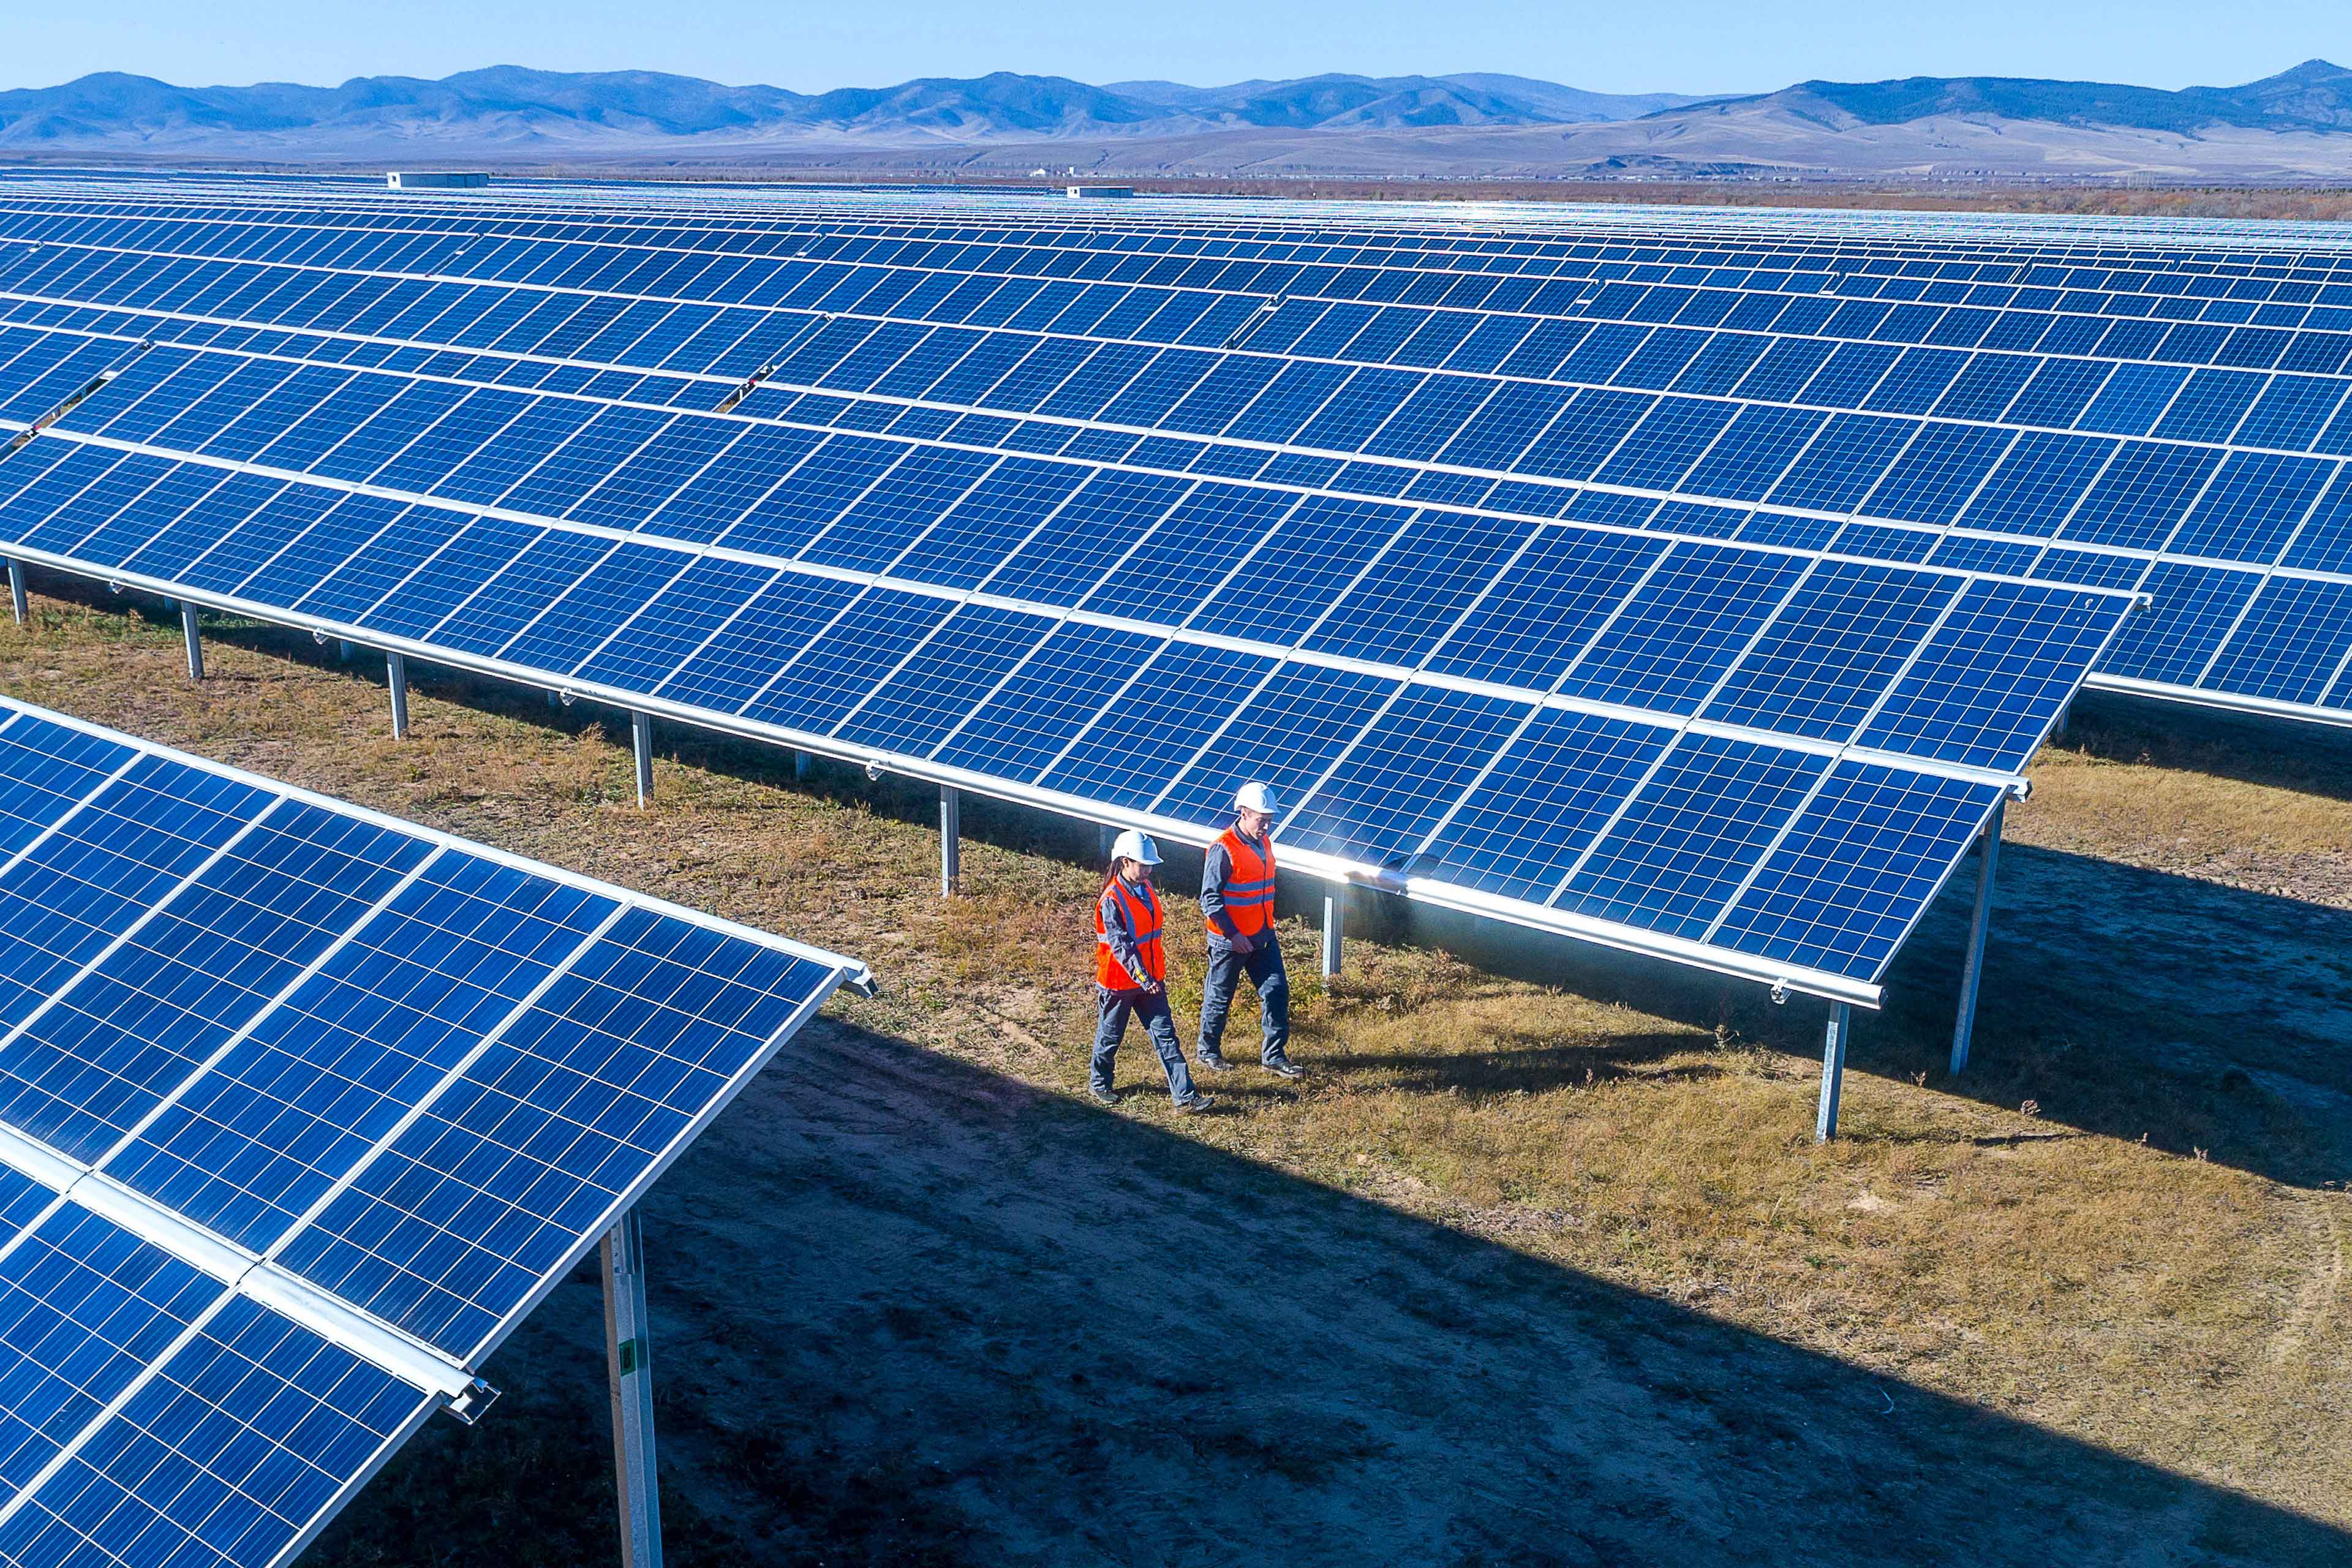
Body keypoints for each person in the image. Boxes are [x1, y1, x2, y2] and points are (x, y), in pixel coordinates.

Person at [1091, 829, 1215, 1113]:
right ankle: (1100, 1083)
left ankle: (1185, 1098)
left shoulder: (1145, 889)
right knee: (1110, 1037)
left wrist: (1151, 978)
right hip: (1120, 983)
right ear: (1125, 862)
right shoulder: (1111, 900)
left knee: (1167, 1037)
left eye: (1150, 865)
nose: (1148, 870)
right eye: (1143, 865)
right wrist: (1144, 978)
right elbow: (1121, 945)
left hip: (1151, 981)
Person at [1196, 782, 1302, 1079]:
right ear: (1243, 813)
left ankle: (1274, 1056)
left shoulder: (1264, 841)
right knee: (1220, 996)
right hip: (1230, 942)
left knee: (1277, 991)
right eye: (1261, 819)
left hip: (1263, 936)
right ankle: (1208, 1051)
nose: (1266, 826)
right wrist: (1234, 936)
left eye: (1270, 819)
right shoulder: (1223, 849)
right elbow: (1210, 900)